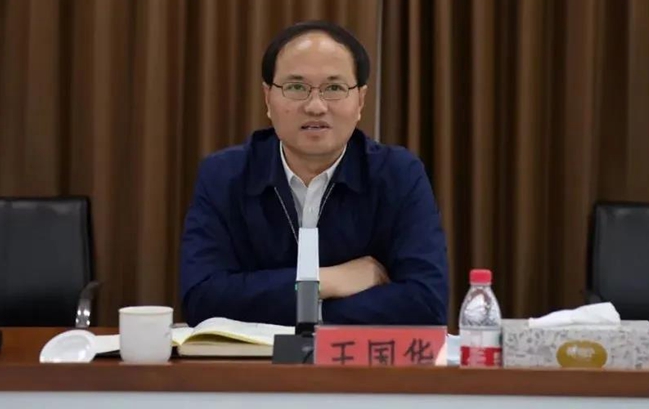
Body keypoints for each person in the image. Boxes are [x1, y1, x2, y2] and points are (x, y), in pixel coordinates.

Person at [179, 20, 449, 326]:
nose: (316, 106)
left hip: (354, 359)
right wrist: (325, 281)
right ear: (268, 98)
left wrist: (307, 310)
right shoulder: (224, 175)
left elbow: (426, 304)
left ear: (360, 100)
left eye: (334, 88)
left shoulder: (397, 175)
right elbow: (201, 299)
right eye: (296, 87)